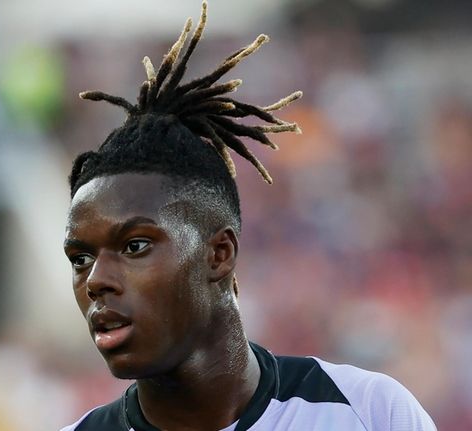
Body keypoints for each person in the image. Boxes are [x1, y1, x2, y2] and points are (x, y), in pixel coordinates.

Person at [59, 2, 436, 430]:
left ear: (219, 254)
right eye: (80, 259)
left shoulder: (367, 411)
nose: (96, 281)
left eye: (135, 245)